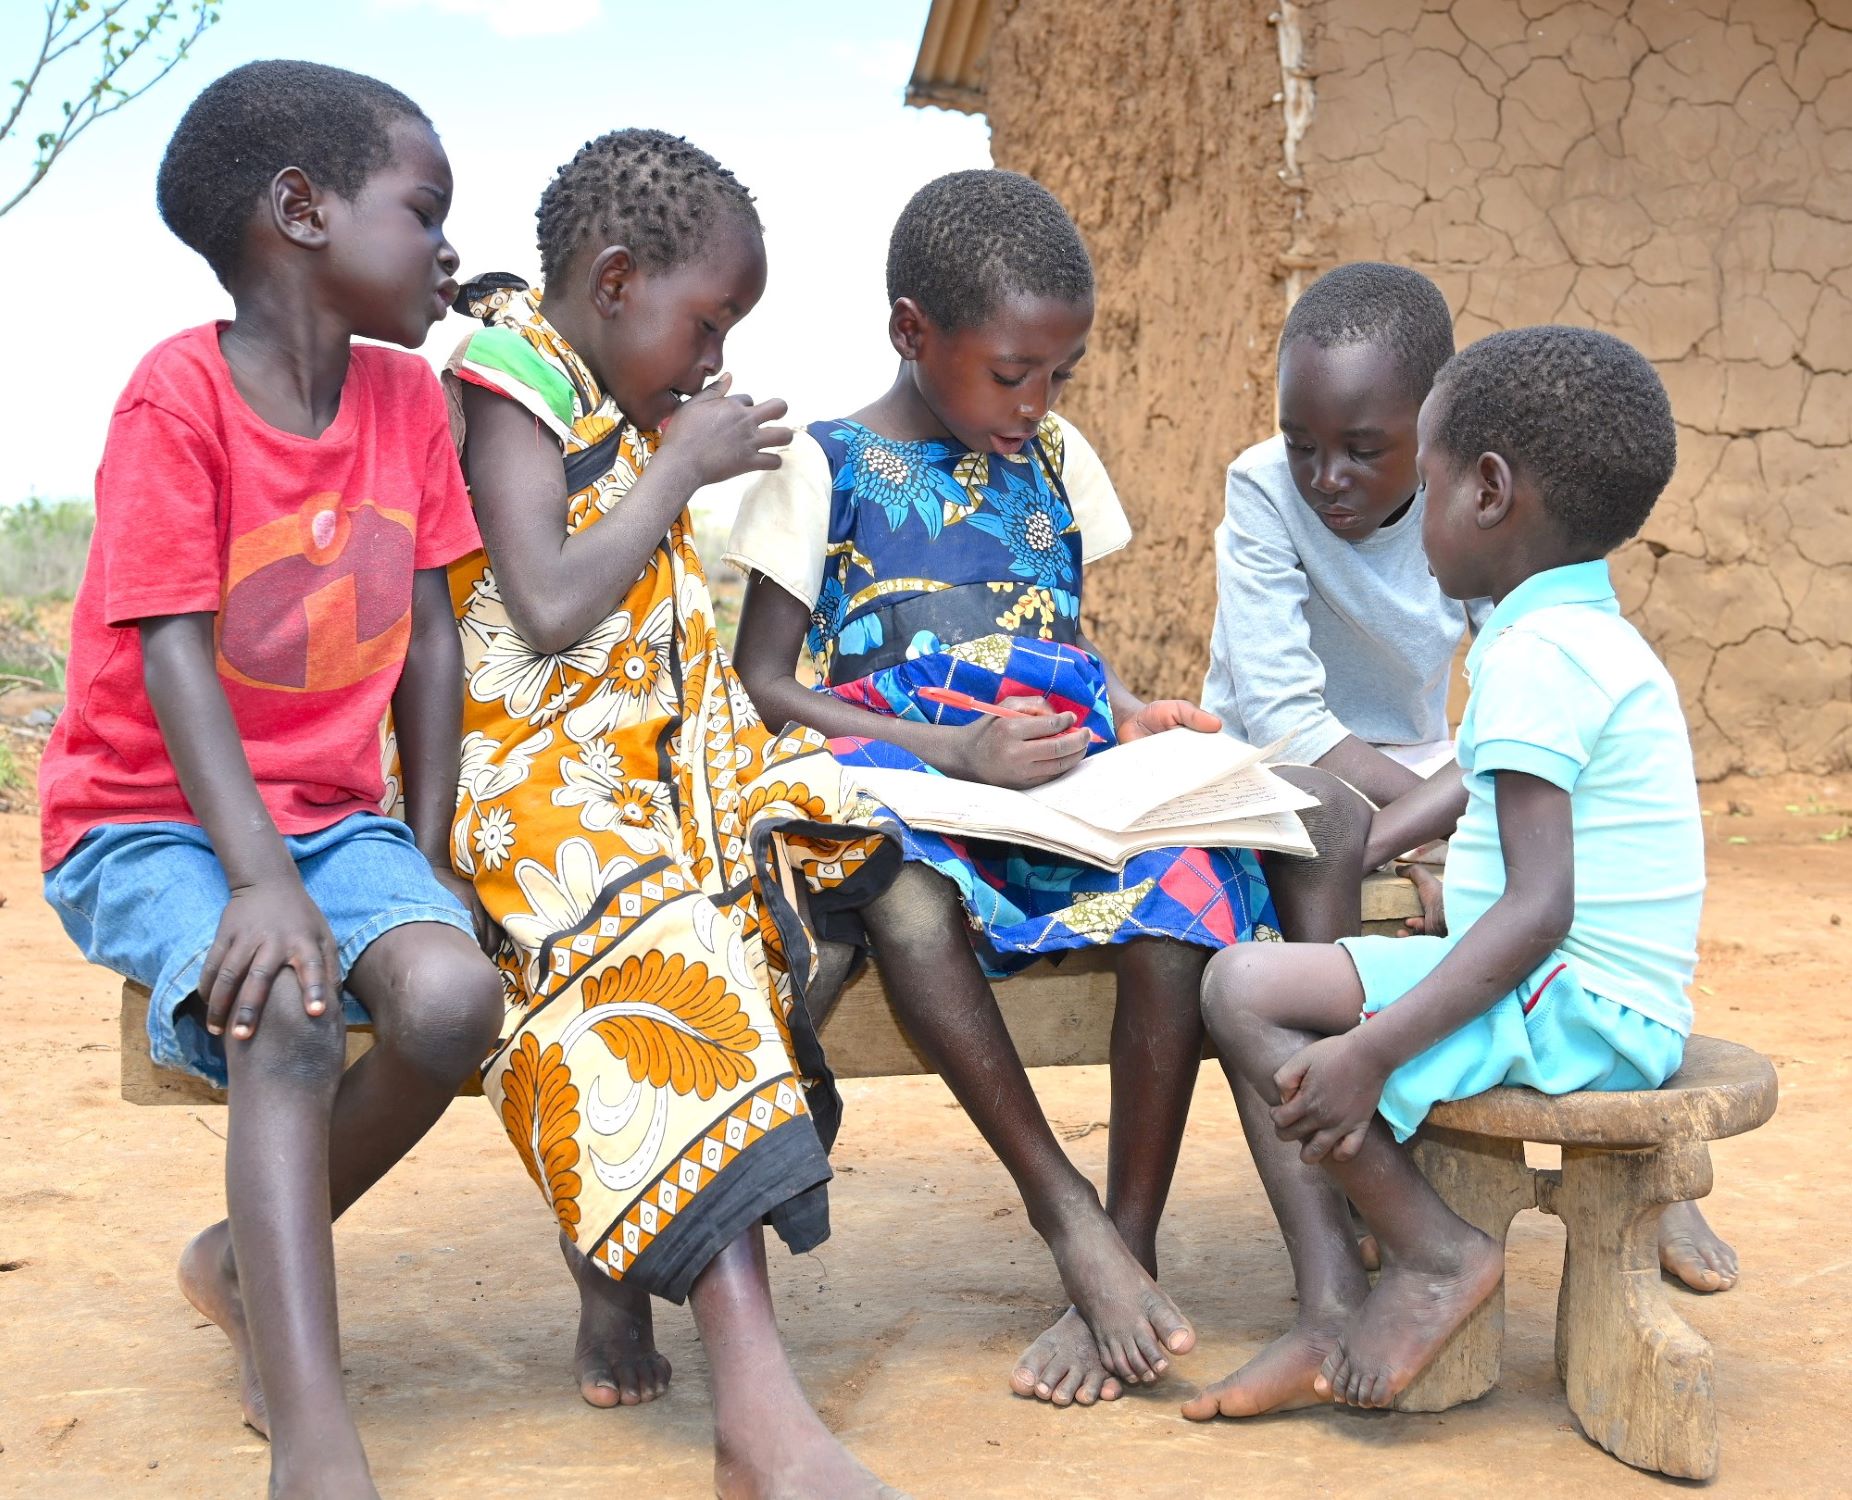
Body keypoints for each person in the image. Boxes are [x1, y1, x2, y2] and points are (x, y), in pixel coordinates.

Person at [727, 169, 1369, 1410]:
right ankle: (1065, 1212)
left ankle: (1124, 1245)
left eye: (1058, 376)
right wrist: (949, 755)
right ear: (914, 332)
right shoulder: (825, 466)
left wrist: (1128, 715)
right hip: (913, 787)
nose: (1035, 405)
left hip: (1059, 785)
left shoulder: (1056, 457)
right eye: (1010, 373)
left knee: (1186, 887)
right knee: (903, 901)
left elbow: (1060, 627)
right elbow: (767, 684)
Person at [37, 62, 504, 1499]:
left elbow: (430, 638)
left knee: (452, 999)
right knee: (288, 1005)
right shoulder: (175, 394)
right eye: (422, 209)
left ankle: (244, 1259)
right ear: (299, 209)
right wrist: (255, 881)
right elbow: (171, 652)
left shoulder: (406, 399)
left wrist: (415, 850)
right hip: (148, 817)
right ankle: (314, 1438)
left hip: (331, 813)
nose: (444, 247)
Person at [443, 129, 901, 1499]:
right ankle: (758, 1420)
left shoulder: (612, 389)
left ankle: (618, 1264)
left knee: (821, 847)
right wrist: (680, 462)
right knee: (663, 939)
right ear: (618, 276)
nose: (711, 361)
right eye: (707, 325)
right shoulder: (508, 380)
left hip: (655, 763)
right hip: (537, 789)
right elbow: (547, 598)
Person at [1185, 325, 1705, 1420]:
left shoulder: (1530, 658)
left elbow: (1535, 906)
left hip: (1573, 1005)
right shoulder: (1576, 630)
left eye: (1420, 471)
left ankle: (1429, 1249)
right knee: (1262, 980)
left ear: (1486, 491)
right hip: (1591, 995)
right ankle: (1397, 1248)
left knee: (1247, 995)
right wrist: (1358, 843)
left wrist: (1371, 1050)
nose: (1409, 501)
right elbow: (1471, 779)